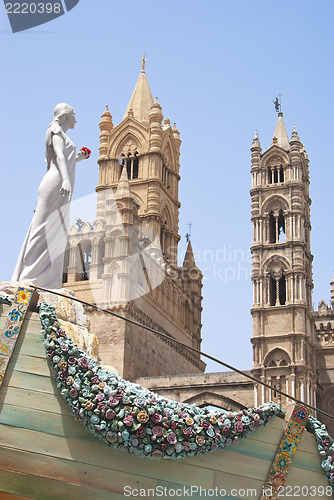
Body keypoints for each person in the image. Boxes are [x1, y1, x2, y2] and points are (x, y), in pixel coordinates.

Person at [12, 103, 90, 289]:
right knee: (42, 229)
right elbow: (59, 157)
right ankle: (30, 276)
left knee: (56, 231)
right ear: (65, 116)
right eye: (74, 114)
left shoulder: (60, 133)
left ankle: (46, 281)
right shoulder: (55, 130)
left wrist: (78, 158)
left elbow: (63, 157)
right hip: (55, 182)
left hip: (59, 182)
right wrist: (65, 179)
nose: (76, 119)